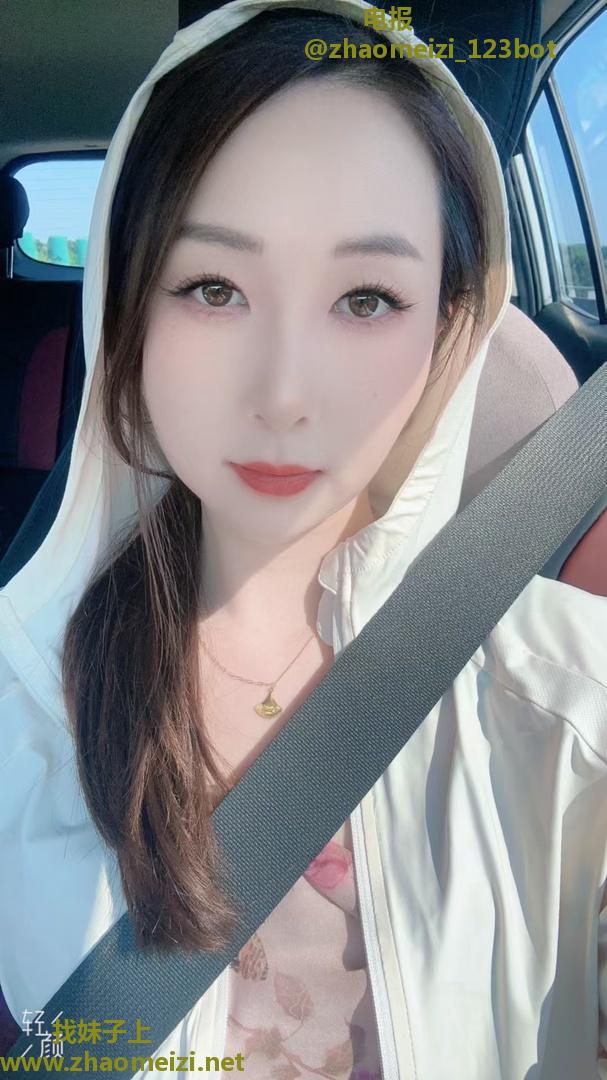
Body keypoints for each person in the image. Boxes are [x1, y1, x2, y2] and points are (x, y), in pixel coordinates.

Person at [0, 0, 606, 1076]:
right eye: (213, 288)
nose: (282, 394)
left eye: (366, 298)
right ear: (127, 316)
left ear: (449, 326)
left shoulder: (562, 704)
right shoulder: (21, 692)